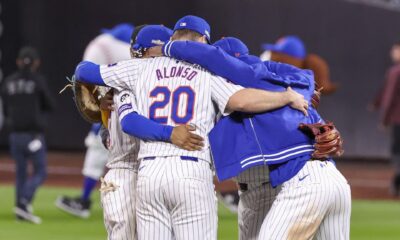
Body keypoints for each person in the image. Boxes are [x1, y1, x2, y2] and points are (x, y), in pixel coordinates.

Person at [73, 15, 308, 240]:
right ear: (203, 42)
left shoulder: (140, 69)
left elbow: (84, 70)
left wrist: (97, 92)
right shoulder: (206, 72)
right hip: (191, 170)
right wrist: (285, 97)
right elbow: (242, 101)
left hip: (149, 173)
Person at [158, 36, 350, 239]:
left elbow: (217, 63)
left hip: (303, 181)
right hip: (333, 181)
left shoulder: (248, 85)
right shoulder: (282, 83)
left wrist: (166, 47)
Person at [98, 24, 204, 240]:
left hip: (149, 172)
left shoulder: (128, 77)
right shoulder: (128, 80)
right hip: (131, 172)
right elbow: (117, 129)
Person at [55, 23, 134, 218]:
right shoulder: (139, 66)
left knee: (102, 156)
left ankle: (84, 201)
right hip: (134, 119)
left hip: (119, 118)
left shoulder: (108, 53)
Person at [0, 46, 55, 224]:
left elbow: (6, 108)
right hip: (34, 135)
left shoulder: (8, 82)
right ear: (36, 63)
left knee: (21, 173)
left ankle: (20, 210)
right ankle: (24, 202)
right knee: (40, 171)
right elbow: (49, 104)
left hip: (15, 135)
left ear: (18, 62)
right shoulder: (38, 81)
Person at [371, 41, 400, 196]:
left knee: (397, 153)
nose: (393, 52)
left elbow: (389, 96)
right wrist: (377, 102)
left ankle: (397, 182)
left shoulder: (395, 71)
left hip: (397, 120)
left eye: (396, 50)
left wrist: (383, 119)